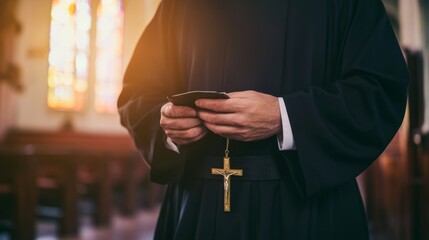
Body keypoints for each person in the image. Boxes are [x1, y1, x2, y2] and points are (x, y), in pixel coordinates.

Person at [117, 0, 408, 239]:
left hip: (308, 213)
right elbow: (138, 93)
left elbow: (379, 90)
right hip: (197, 209)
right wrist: (168, 125)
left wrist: (285, 117)